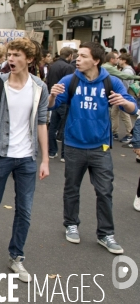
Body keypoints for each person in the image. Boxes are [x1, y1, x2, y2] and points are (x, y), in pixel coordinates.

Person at [49, 42, 136, 255]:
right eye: (77, 55)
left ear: (95, 61)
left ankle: (106, 234)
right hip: (74, 144)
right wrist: (52, 94)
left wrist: (124, 102)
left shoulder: (111, 81)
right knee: (72, 188)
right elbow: (51, 105)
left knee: (105, 191)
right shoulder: (70, 80)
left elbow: (134, 107)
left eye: (83, 56)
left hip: (101, 147)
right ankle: (71, 224)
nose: (78, 59)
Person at [0, 37, 50, 283]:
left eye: (17, 55)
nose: (11, 59)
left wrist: (45, 160)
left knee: (25, 209)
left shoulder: (39, 87)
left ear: (29, 59)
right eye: (10, 54)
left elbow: (41, 123)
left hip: (27, 158)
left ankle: (16, 256)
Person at [45, 47, 76, 162]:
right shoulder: (67, 68)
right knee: (64, 127)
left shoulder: (53, 65)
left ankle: (52, 151)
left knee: (53, 126)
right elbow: (70, 85)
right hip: (63, 100)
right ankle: (63, 154)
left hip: (53, 97)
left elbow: (48, 80)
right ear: (70, 56)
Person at [110, 53, 136, 143]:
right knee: (114, 114)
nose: (118, 61)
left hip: (122, 97)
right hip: (120, 97)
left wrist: (122, 97)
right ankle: (115, 132)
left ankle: (129, 134)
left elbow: (124, 87)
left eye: (120, 59)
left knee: (125, 115)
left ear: (124, 60)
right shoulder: (125, 70)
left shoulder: (127, 72)